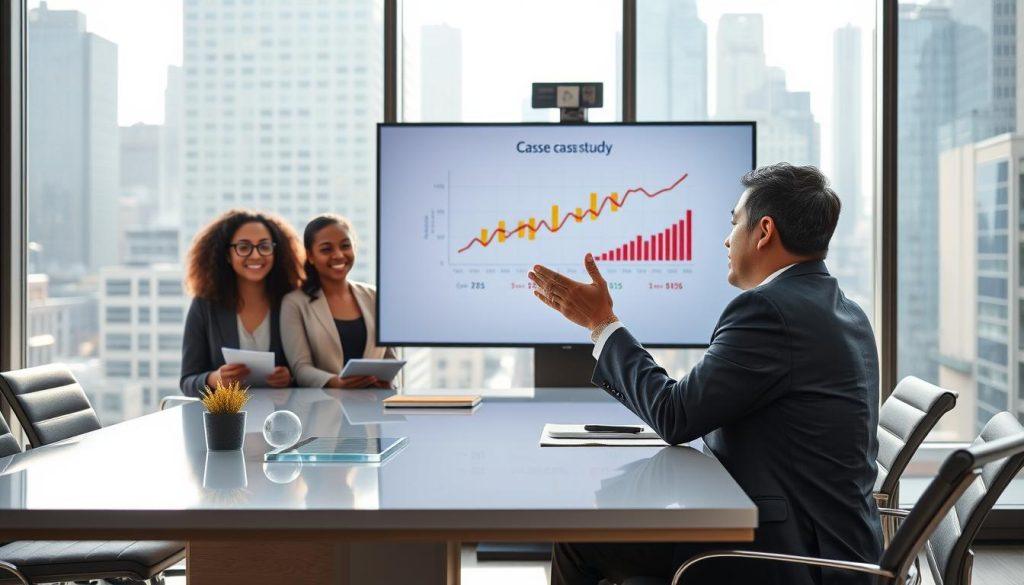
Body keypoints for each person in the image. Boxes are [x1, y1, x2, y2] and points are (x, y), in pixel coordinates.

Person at [529, 163, 883, 585]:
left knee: (578, 538)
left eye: (734, 223)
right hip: (837, 547)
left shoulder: (769, 311)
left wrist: (601, 324)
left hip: (789, 555)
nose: (726, 239)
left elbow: (675, 415)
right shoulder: (844, 308)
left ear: (764, 231)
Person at [180, 209, 304, 397]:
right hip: (227, 420)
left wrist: (289, 379)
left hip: (279, 420)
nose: (255, 256)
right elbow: (187, 381)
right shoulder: (205, 305)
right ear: (227, 255)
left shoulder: (291, 302)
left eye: (264, 246)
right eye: (244, 247)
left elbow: (308, 371)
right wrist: (214, 379)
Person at [281, 214, 396, 389]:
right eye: (326, 249)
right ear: (311, 256)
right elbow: (300, 368)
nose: (339, 255)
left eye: (345, 246)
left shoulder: (374, 297)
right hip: (324, 407)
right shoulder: (295, 303)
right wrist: (336, 382)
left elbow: (390, 359)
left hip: (373, 405)